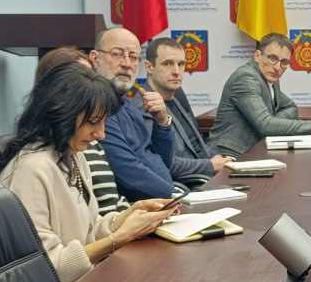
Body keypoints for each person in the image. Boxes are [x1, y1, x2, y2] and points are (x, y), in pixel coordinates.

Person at [0, 64, 179, 282]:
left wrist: (126, 217)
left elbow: (88, 230)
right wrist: (120, 237)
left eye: (103, 122)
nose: (101, 134)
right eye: (92, 122)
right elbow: (47, 269)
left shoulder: (72, 154)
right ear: (61, 114)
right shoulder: (32, 169)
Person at [208, 32, 311, 158]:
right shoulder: (246, 78)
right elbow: (265, 124)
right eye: (272, 58)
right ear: (257, 56)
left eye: (284, 62)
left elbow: (291, 108)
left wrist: (273, 123)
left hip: (254, 151)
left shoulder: (270, 77)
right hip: (229, 155)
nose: (277, 67)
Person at [35, 47, 128, 216]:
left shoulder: (77, 155)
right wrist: (122, 228)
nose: (101, 134)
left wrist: (130, 216)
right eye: (79, 77)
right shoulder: (35, 168)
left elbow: (93, 221)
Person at [87, 27, 175, 202]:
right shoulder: (99, 109)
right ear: (95, 59)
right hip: (137, 208)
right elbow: (129, 175)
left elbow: (162, 163)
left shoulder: (129, 105)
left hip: (162, 200)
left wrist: (162, 123)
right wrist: (177, 196)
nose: (126, 64)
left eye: (133, 57)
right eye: (117, 54)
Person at [139, 37, 232, 184]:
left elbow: (198, 147)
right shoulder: (145, 105)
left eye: (181, 64)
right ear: (149, 67)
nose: (177, 72)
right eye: (168, 64)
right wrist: (210, 165)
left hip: (209, 176)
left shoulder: (176, 96)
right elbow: (165, 164)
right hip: (189, 185)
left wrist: (223, 161)